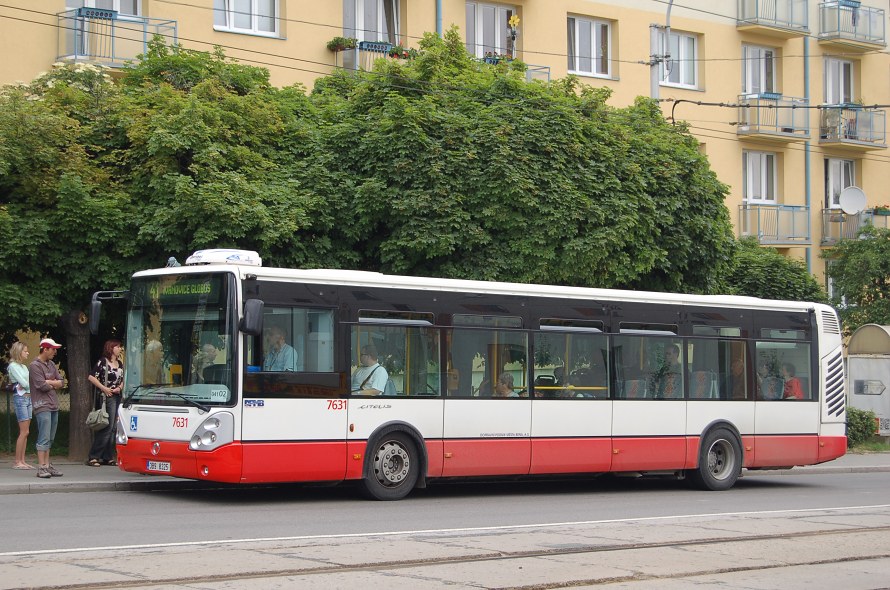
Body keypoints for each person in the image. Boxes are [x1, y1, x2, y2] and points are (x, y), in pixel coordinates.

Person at [29, 337, 65, 479]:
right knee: (43, 436)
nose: (54, 353)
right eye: (53, 350)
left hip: (53, 404)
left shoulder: (51, 364)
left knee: (50, 437)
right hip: (41, 404)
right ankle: (41, 467)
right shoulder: (34, 365)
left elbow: (61, 382)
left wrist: (50, 382)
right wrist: (52, 383)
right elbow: (41, 386)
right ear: (45, 349)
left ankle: (48, 465)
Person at [87, 339, 124, 467]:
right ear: (111, 348)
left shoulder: (119, 363)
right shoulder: (103, 361)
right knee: (107, 427)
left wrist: (120, 387)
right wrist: (104, 388)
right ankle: (94, 456)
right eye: (117, 347)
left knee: (114, 428)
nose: (119, 349)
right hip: (107, 396)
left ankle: (107, 456)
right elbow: (92, 377)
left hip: (117, 395)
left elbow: (124, 378)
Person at [8, 341, 34, 469]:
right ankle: (17, 462)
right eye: (25, 351)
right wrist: (33, 385)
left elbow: (29, 382)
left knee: (26, 432)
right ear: (19, 352)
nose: (28, 353)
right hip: (21, 398)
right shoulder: (12, 366)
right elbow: (25, 383)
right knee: (23, 431)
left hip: (29, 398)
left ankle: (23, 461)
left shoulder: (24, 367)